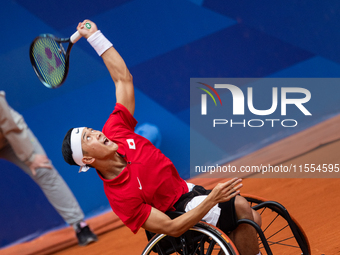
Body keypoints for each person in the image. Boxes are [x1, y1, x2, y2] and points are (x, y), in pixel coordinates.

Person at [62, 20, 261, 255]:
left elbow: (123, 80)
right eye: (88, 138)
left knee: (253, 217)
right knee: (239, 208)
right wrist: (212, 199)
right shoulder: (119, 196)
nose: (96, 133)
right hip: (174, 215)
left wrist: (95, 37)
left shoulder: (115, 130)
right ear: (87, 160)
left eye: (90, 130)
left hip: (186, 190)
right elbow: (172, 227)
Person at [0, 91, 98, 246]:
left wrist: (29, 157)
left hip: (11, 132)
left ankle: (79, 225)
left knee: (43, 169)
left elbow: (10, 126)